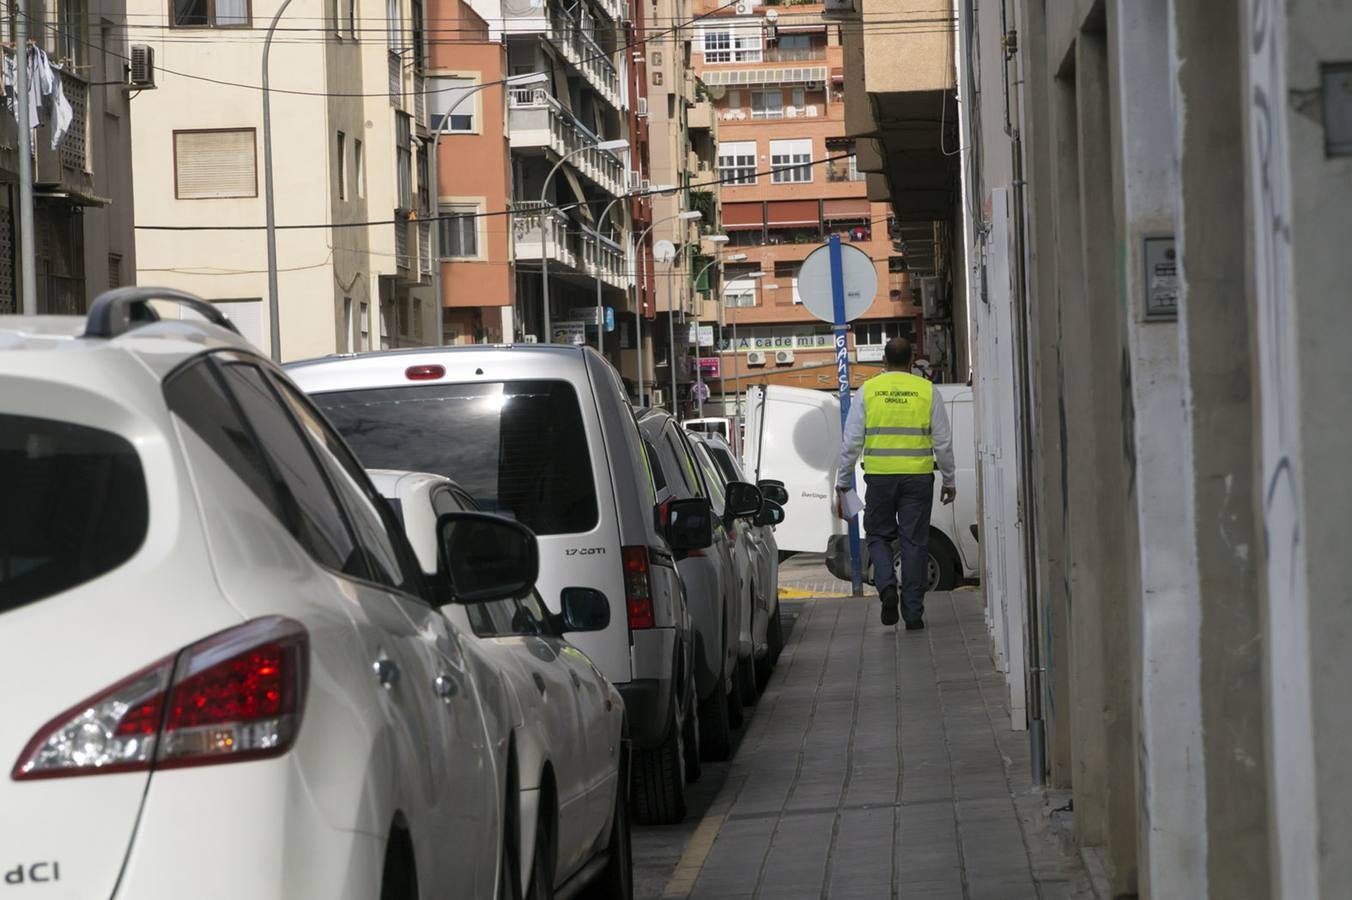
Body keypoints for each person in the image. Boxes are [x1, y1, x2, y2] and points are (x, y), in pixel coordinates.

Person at [835, 337, 956, 628]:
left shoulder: (868, 391)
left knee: (878, 536)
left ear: (884, 361)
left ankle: (887, 586)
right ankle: (913, 613)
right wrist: (949, 479)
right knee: (915, 542)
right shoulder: (927, 390)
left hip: (880, 478)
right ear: (912, 360)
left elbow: (851, 442)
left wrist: (843, 481)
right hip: (918, 478)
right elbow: (942, 441)